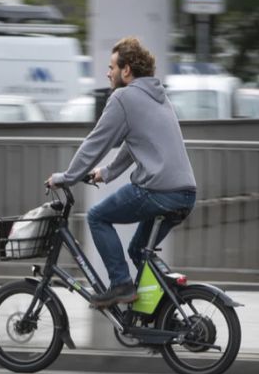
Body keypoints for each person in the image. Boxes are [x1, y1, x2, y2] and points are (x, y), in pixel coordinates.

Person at [46, 37, 196, 307]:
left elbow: (96, 142)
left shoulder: (123, 97)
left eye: (111, 66)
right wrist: (107, 172)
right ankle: (167, 308)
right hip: (184, 193)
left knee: (97, 216)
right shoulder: (158, 97)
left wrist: (65, 177)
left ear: (126, 70)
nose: (108, 72)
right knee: (139, 251)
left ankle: (121, 285)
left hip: (157, 190)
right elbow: (134, 142)